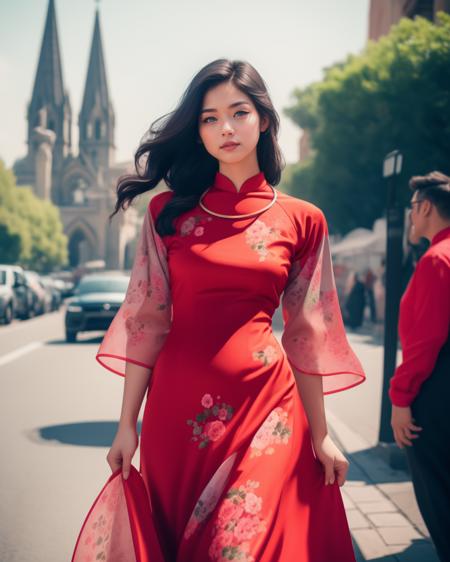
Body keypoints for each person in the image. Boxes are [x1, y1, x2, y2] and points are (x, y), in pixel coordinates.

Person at [71, 59, 366, 562]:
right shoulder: (168, 215)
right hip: (175, 417)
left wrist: (322, 436)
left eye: (238, 112)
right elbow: (147, 322)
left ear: (264, 120)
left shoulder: (302, 220)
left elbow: (307, 332)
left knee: (237, 549)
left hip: (267, 408)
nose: (224, 128)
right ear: (198, 131)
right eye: (209, 118)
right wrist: (127, 424)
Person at [389, 171, 450, 562]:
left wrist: (400, 400)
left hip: (436, 396)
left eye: (413, 209)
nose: (412, 218)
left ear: (425, 207)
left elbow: (425, 342)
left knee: (440, 499)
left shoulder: (436, 260)